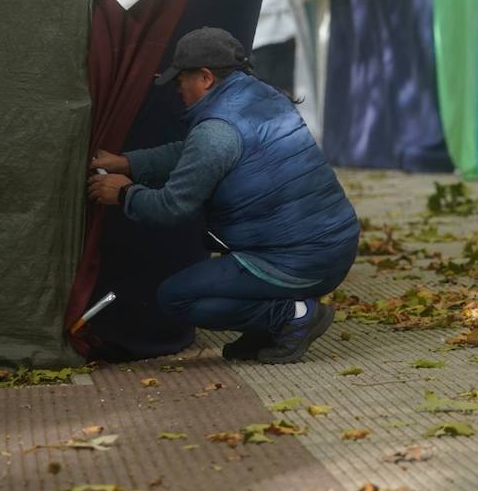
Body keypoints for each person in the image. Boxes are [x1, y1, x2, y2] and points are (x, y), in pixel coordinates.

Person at [86, 27, 359, 364]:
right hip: (334, 245)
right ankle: (275, 324)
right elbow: (194, 153)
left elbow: (172, 206)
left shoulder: (217, 129)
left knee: (175, 297)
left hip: (297, 260)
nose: (177, 88)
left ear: (205, 78)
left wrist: (124, 193)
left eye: (180, 79)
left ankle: (292, 315)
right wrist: (129, 163)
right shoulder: (259, 95)